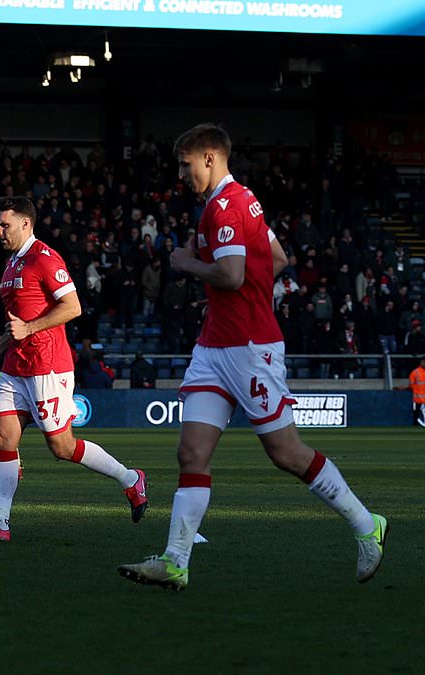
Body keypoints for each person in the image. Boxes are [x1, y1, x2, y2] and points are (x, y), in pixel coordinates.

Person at [119, 124, 385, 591]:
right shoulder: (243, 202)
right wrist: (233, 294)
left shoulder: (225, 206)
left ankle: (367, 524)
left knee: (285, 453)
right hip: (215, 345)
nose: (180, 173)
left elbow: (231, 274)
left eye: (185, 164)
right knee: (191, 452)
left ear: (208, 158)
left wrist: (187, 265)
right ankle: (175, 562)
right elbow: (276, 258)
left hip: (249, 348)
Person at [0, 196, 148, 542]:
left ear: (25, 224)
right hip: (16, 366)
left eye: (5, 224)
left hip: (47, 366)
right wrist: (0, 345)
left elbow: (73, 306)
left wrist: (30, 330)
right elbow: (19, 320)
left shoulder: (44, 259)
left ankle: (130, 478)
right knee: (4, 438)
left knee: (62, 447)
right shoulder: (11, 265)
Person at [410, 357, 425, 429]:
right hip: (417, 398)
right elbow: (411, 384)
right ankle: (415, 425)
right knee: (416, 411)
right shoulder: (415, 372)